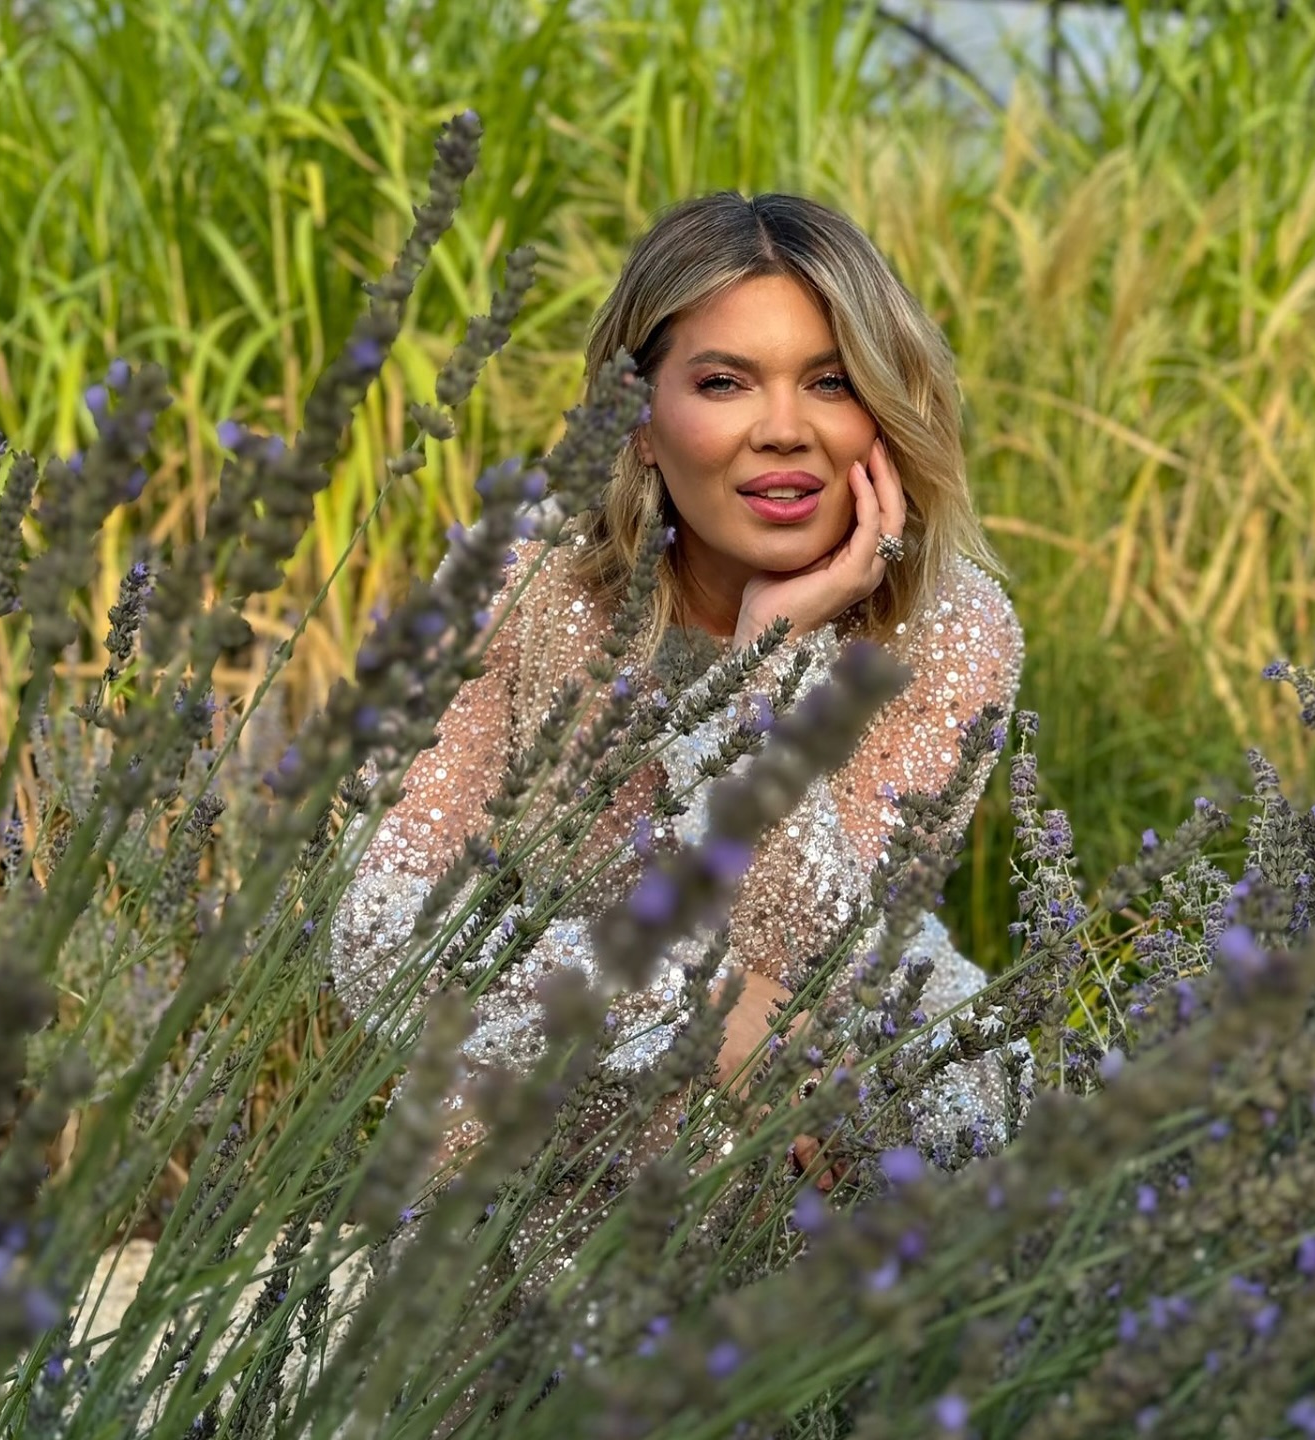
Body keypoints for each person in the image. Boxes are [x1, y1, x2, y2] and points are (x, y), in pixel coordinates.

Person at [328, 192, 1026, 1187]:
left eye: (830, 381)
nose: (783, 430)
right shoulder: (519, 584)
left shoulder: (951, 626)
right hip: (579, 1100)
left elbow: (811, 968)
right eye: (725, 382)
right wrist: (681, 1005)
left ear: (882, 407)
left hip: (833, 1097)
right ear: (640, 419)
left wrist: (767, 667)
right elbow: (375, 934)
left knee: (905, 1109)